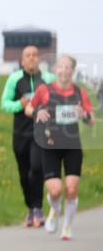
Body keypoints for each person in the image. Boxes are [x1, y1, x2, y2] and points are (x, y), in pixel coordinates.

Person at [25, 55, 95, 241]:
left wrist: (84, 115)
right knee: (55, 191)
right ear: (55, 70)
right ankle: (55, 212)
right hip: (50, 145)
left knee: (71, 188)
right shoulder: (44, 90)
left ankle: (67, 226)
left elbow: (92, 120)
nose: (64, 70)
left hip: (72, 146)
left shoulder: (80, 94)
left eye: (68, 67)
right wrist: (37, 112)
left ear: (72, 71)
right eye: (60, 67)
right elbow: (28, 108)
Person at [0, 46, 55, 227]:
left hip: (40, 133)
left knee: (36, 168)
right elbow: (4, 104)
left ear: (39, 59)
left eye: (34, 55)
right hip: (20, 134)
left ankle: (38, 209)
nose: (31, 58)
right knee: (24, 174)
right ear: (22, 61)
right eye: (28, 55)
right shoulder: (14, 79)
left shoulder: (47, 79)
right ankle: (30, 209)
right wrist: (20, 104)